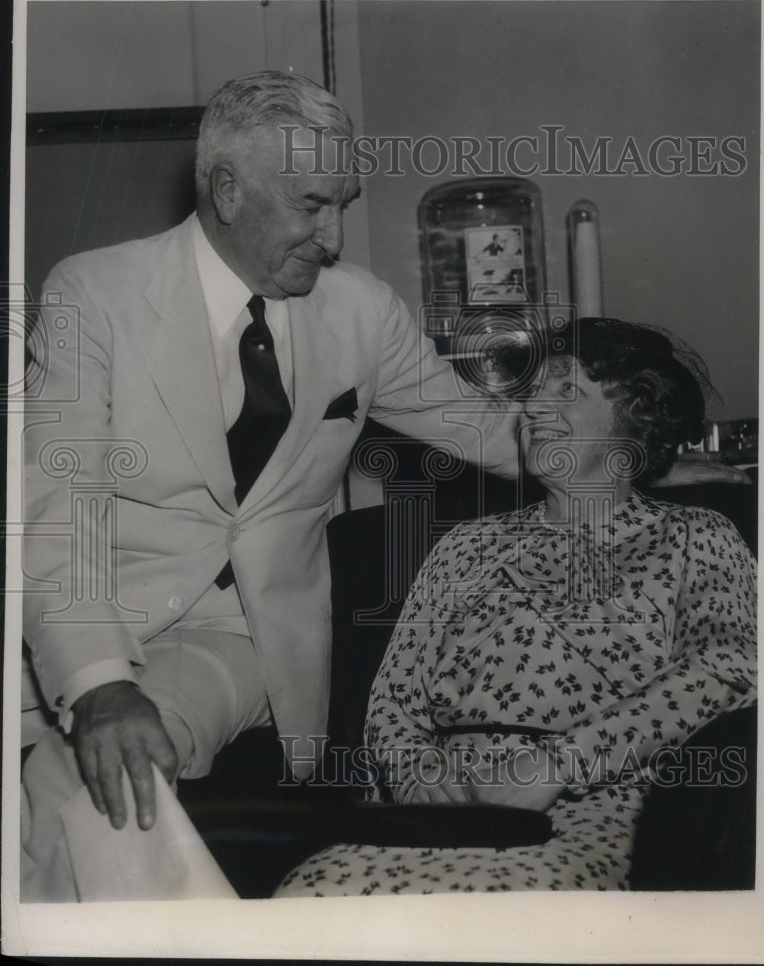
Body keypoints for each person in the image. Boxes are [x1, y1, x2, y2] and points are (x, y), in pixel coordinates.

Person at [19, 71, 521, 901]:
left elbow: (487, 430)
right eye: (311, 205)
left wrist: (638, 458)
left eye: (343, 205)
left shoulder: (361, 313)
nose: (334, 237)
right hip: (80, 619)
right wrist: (99, 679)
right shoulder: (95, 293)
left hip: (234, 638)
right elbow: (56, 503)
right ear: (227, 190)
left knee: (96, 775)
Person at [274, 318, 757, 896]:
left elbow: (729, 667)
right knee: (311, 894)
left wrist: (560, 763)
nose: (531, 408)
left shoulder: (695, 535)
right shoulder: (466, 545)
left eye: (567, 389)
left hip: (591, 805)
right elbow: (396, 695)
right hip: (436, 805)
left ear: (638, 419)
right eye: (531, 393)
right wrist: (412, 771)